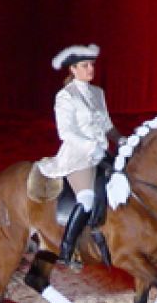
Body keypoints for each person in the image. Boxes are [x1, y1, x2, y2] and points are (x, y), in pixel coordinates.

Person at [37, 43, 125, 268]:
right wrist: (90, 147)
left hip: (102, 152)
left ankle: (105, 231)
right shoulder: (65, 96)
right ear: (73, 69)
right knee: (86, 198)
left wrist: (122, 140)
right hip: (78, 156)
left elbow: (107, 125)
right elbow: (66, 132)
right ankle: (67, 249)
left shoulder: (98, 93)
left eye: (92, 65)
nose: (90, 69)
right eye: (85, 65)